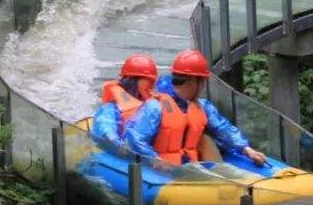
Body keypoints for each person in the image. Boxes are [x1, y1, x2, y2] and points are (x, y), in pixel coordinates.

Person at [125, 49, 267, 168]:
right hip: (163, 171)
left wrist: (246, 149)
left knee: (206, 138)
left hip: (191, 169)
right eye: (203, 81)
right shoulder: (154, 107)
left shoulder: (202, 106)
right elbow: (135, 138)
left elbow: (224, 129)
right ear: (193, 81)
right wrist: (155, 161)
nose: (204, 86)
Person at [91, 54, 158, 154]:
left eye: (154, 81)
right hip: (118, 157)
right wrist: (118, 145)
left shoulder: (153, 106)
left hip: (148, 159)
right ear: (133, 81)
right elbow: (105, 129)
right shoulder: (110, 109)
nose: (152, 86)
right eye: (149, 81)